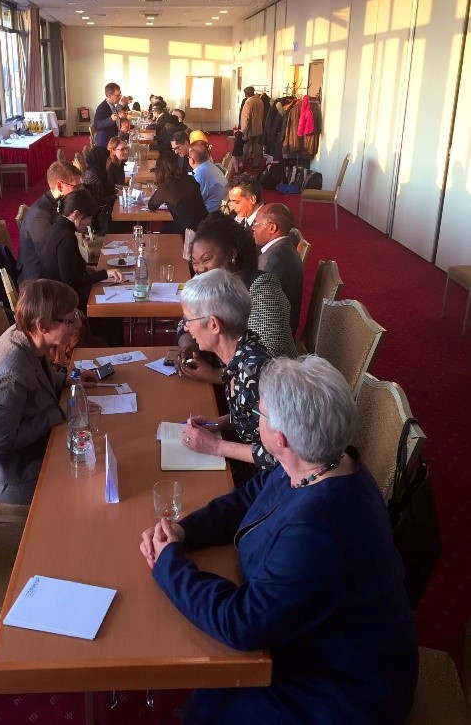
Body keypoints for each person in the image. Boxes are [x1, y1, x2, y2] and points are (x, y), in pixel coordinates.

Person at [140, 355, 418, 725]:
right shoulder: (319, 462)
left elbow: (243, 623)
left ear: (280, 438)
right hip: (308, 642)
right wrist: (185, 532)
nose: (256, 418)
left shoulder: (318, 531)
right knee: (211, 686)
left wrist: (170, 565)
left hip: (340, 690)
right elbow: (250, 496)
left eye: (261, 413)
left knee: (208, 705)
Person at [0, 279, 98, 505]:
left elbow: (35, 376)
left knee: (90, 451)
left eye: (76, 315)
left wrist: (67, 380)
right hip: (6, 474)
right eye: (70, 320)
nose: (78, 324)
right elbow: (4, 443)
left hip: (27, 452)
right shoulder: (8, 377)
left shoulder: (26, 336)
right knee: (87, 477)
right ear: (42, 326)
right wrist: (59, 412)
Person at [175, 269, 275, 480]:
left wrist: (215, 446)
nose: (187, 328)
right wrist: (219, 422)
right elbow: (253, 417)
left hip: (266, 479)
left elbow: (278, 454)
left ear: (214, 325)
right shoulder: (242, 350)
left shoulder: (254, 373)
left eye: (189, 320)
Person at [177, 213, 297, 384]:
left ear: (232, 254)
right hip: (228, 380)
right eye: (195, 262)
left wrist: (216, 375)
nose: (200, 269)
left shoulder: (262, 287)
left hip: (271, 388)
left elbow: (268, 357)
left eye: (207, 259)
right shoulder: (210, 286)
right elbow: (186, 321)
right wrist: (188, 346)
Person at [39, 190, 124, 310]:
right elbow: (72, 281)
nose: (89, 223)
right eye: (88, 217)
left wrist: (87, 268)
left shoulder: (56, 228)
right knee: (114, 303)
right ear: (76, 214)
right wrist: (105, 274)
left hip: (51, 293)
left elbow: (67, 267)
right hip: (62, 301)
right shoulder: (67, 238)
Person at [16, 160, 82, 285]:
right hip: (39, 284)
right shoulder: (40, 216)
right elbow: (52, 257)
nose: (80, 191)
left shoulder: (59, 202)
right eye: (76, 187)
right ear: (60, 186)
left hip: (53, 272)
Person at [253, 202, 304, 334]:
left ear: (272, 228)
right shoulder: (283, 248)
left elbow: (260, 311)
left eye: (257, 223)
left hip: (272, 335)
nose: (253, 227)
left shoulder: (274, 262)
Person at [147, 151, 208, 236]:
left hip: (189, 234)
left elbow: (151, 206)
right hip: (206, 227)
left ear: (159, 169)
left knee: (165, 230)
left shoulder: (165, 188)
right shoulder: (190, 179)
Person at [82, 145, 115, 234]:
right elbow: (98, 201)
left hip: (107, 211)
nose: (110, 162)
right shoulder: (92, 177)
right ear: (101, 160)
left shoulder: (101, 172)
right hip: (101, 220)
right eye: (108, 159)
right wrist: (114, 196)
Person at [189, 141, 227, 212]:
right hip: (220, 207)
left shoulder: (200, 175)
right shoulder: (212, 166)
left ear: (192, 160)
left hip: (211, 214)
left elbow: (194, 201)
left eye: (189, 157)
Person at [240, 86, 264, 167]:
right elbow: (262, 115)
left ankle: (243, 164)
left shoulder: (248, 103)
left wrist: (243, 130)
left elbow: (246, 118)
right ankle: (256, 164)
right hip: (258, 128)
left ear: (246, 94)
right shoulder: (260, 101)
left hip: (249, 129)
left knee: (246, 147)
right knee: (256, 147)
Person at [93, 82, 121, 146]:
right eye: (117, 95)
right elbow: (97, 125)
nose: (119, 97)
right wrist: (110, 119)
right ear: (109, 95)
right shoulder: (102, 108)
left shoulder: (112, 106)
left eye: (120, 95)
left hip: (112, 140)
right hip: (104, 143)